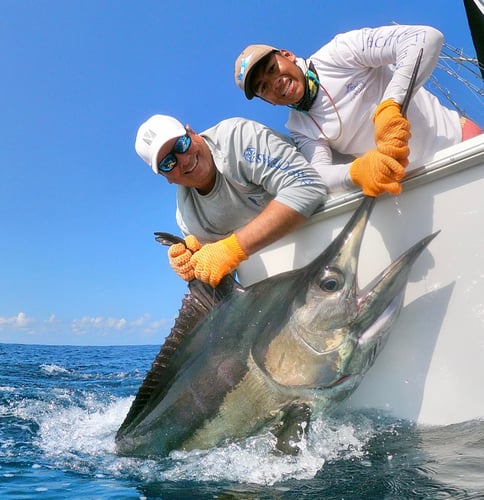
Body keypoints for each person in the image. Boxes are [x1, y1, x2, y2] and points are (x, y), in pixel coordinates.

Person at [234, 24, 482, 196]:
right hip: (415, 184)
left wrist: (391, 105)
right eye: (263, 87)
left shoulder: (339, 51)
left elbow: (426, 37)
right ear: (267, 101)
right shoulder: (299, 128)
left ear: (287, 55)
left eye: (271, 69)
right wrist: (357, 171)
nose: (273, 82)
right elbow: (319, 174)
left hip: (460, 144)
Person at [134, 114, 327, 287]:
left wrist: (234, 248)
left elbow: (308, 186)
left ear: (192, 132)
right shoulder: (188, 218)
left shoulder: (236, 138)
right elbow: (218, 271)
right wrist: (193, 266)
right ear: (167, 178)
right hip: (289, 283)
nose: (183, 160)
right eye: (169, 163)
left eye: (181, 145)